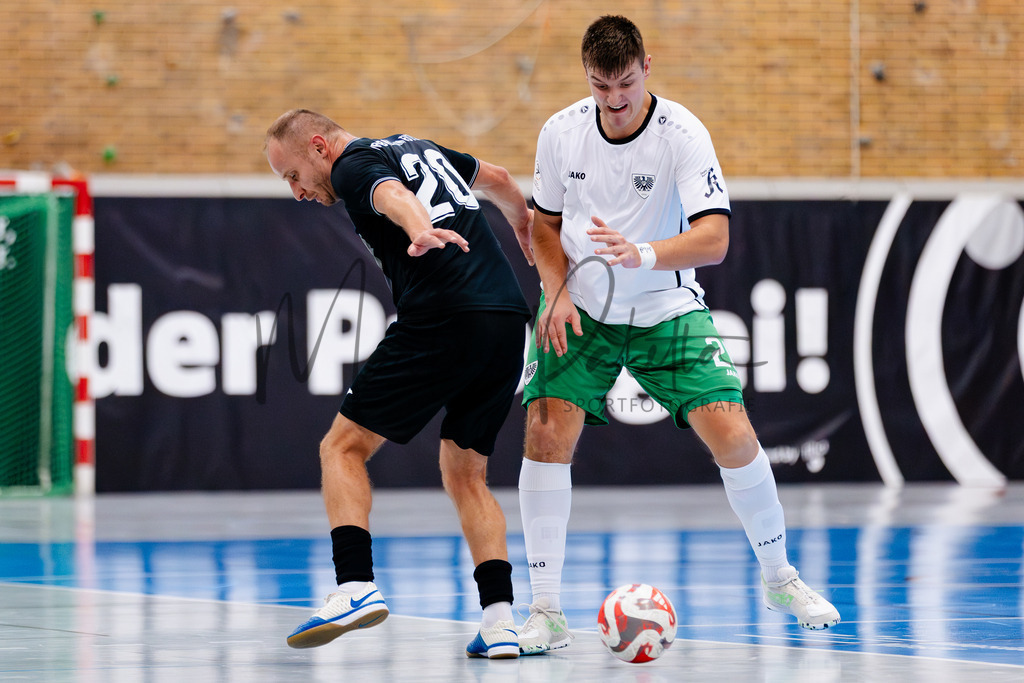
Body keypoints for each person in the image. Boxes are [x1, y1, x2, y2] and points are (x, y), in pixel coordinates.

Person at [516, 16, 841, 655]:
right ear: (587, 77)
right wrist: (554, 292)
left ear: (647, 68)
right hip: (582, 305)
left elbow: (714, 240)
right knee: (546, 432)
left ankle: (781, 578)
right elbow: (544, 226)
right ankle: (546, 609)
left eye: (626, 85)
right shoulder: (560, 132)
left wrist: (639, 254)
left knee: (733, 430)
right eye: (601, 86)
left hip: (666, 304)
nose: (615, 100)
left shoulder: (683, 135)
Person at [264, 109, 535, 659]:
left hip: (444, 315)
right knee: (467, 472)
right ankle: (502, 621)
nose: (296, 192)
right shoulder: (420, 146)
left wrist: (418, 230)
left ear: (319, 147)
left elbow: (386, 193)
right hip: (507, 320)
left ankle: (355, 586)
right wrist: (524, 225)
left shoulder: (352, 165)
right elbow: (502, 181)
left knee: (341, 448)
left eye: (292, 176)